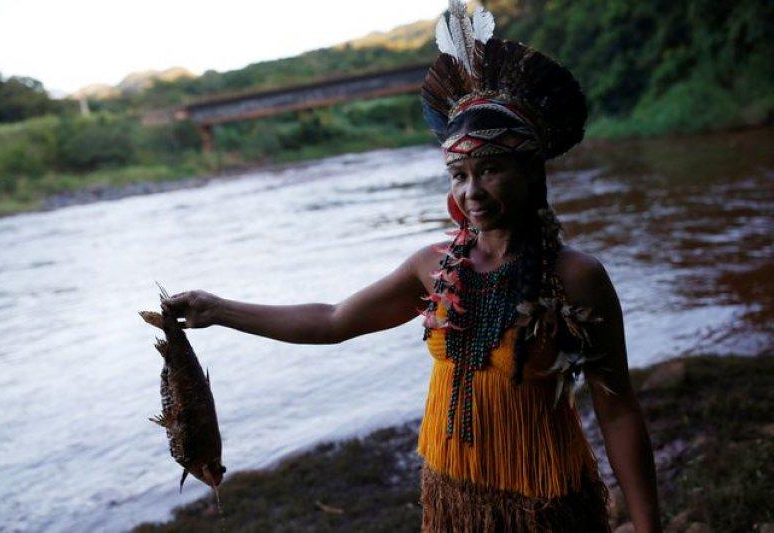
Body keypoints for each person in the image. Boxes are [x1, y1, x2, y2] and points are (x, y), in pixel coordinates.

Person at [161, 2, 662, 531]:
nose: (472, 192)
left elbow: (618, 409)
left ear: (532, 171)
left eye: (491, 170)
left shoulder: (576, 277)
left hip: (546, 503)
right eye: (459, 174)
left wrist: (650, 526)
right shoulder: (434, 267)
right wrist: (219, 309)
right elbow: (332, 321)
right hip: (450, 497)